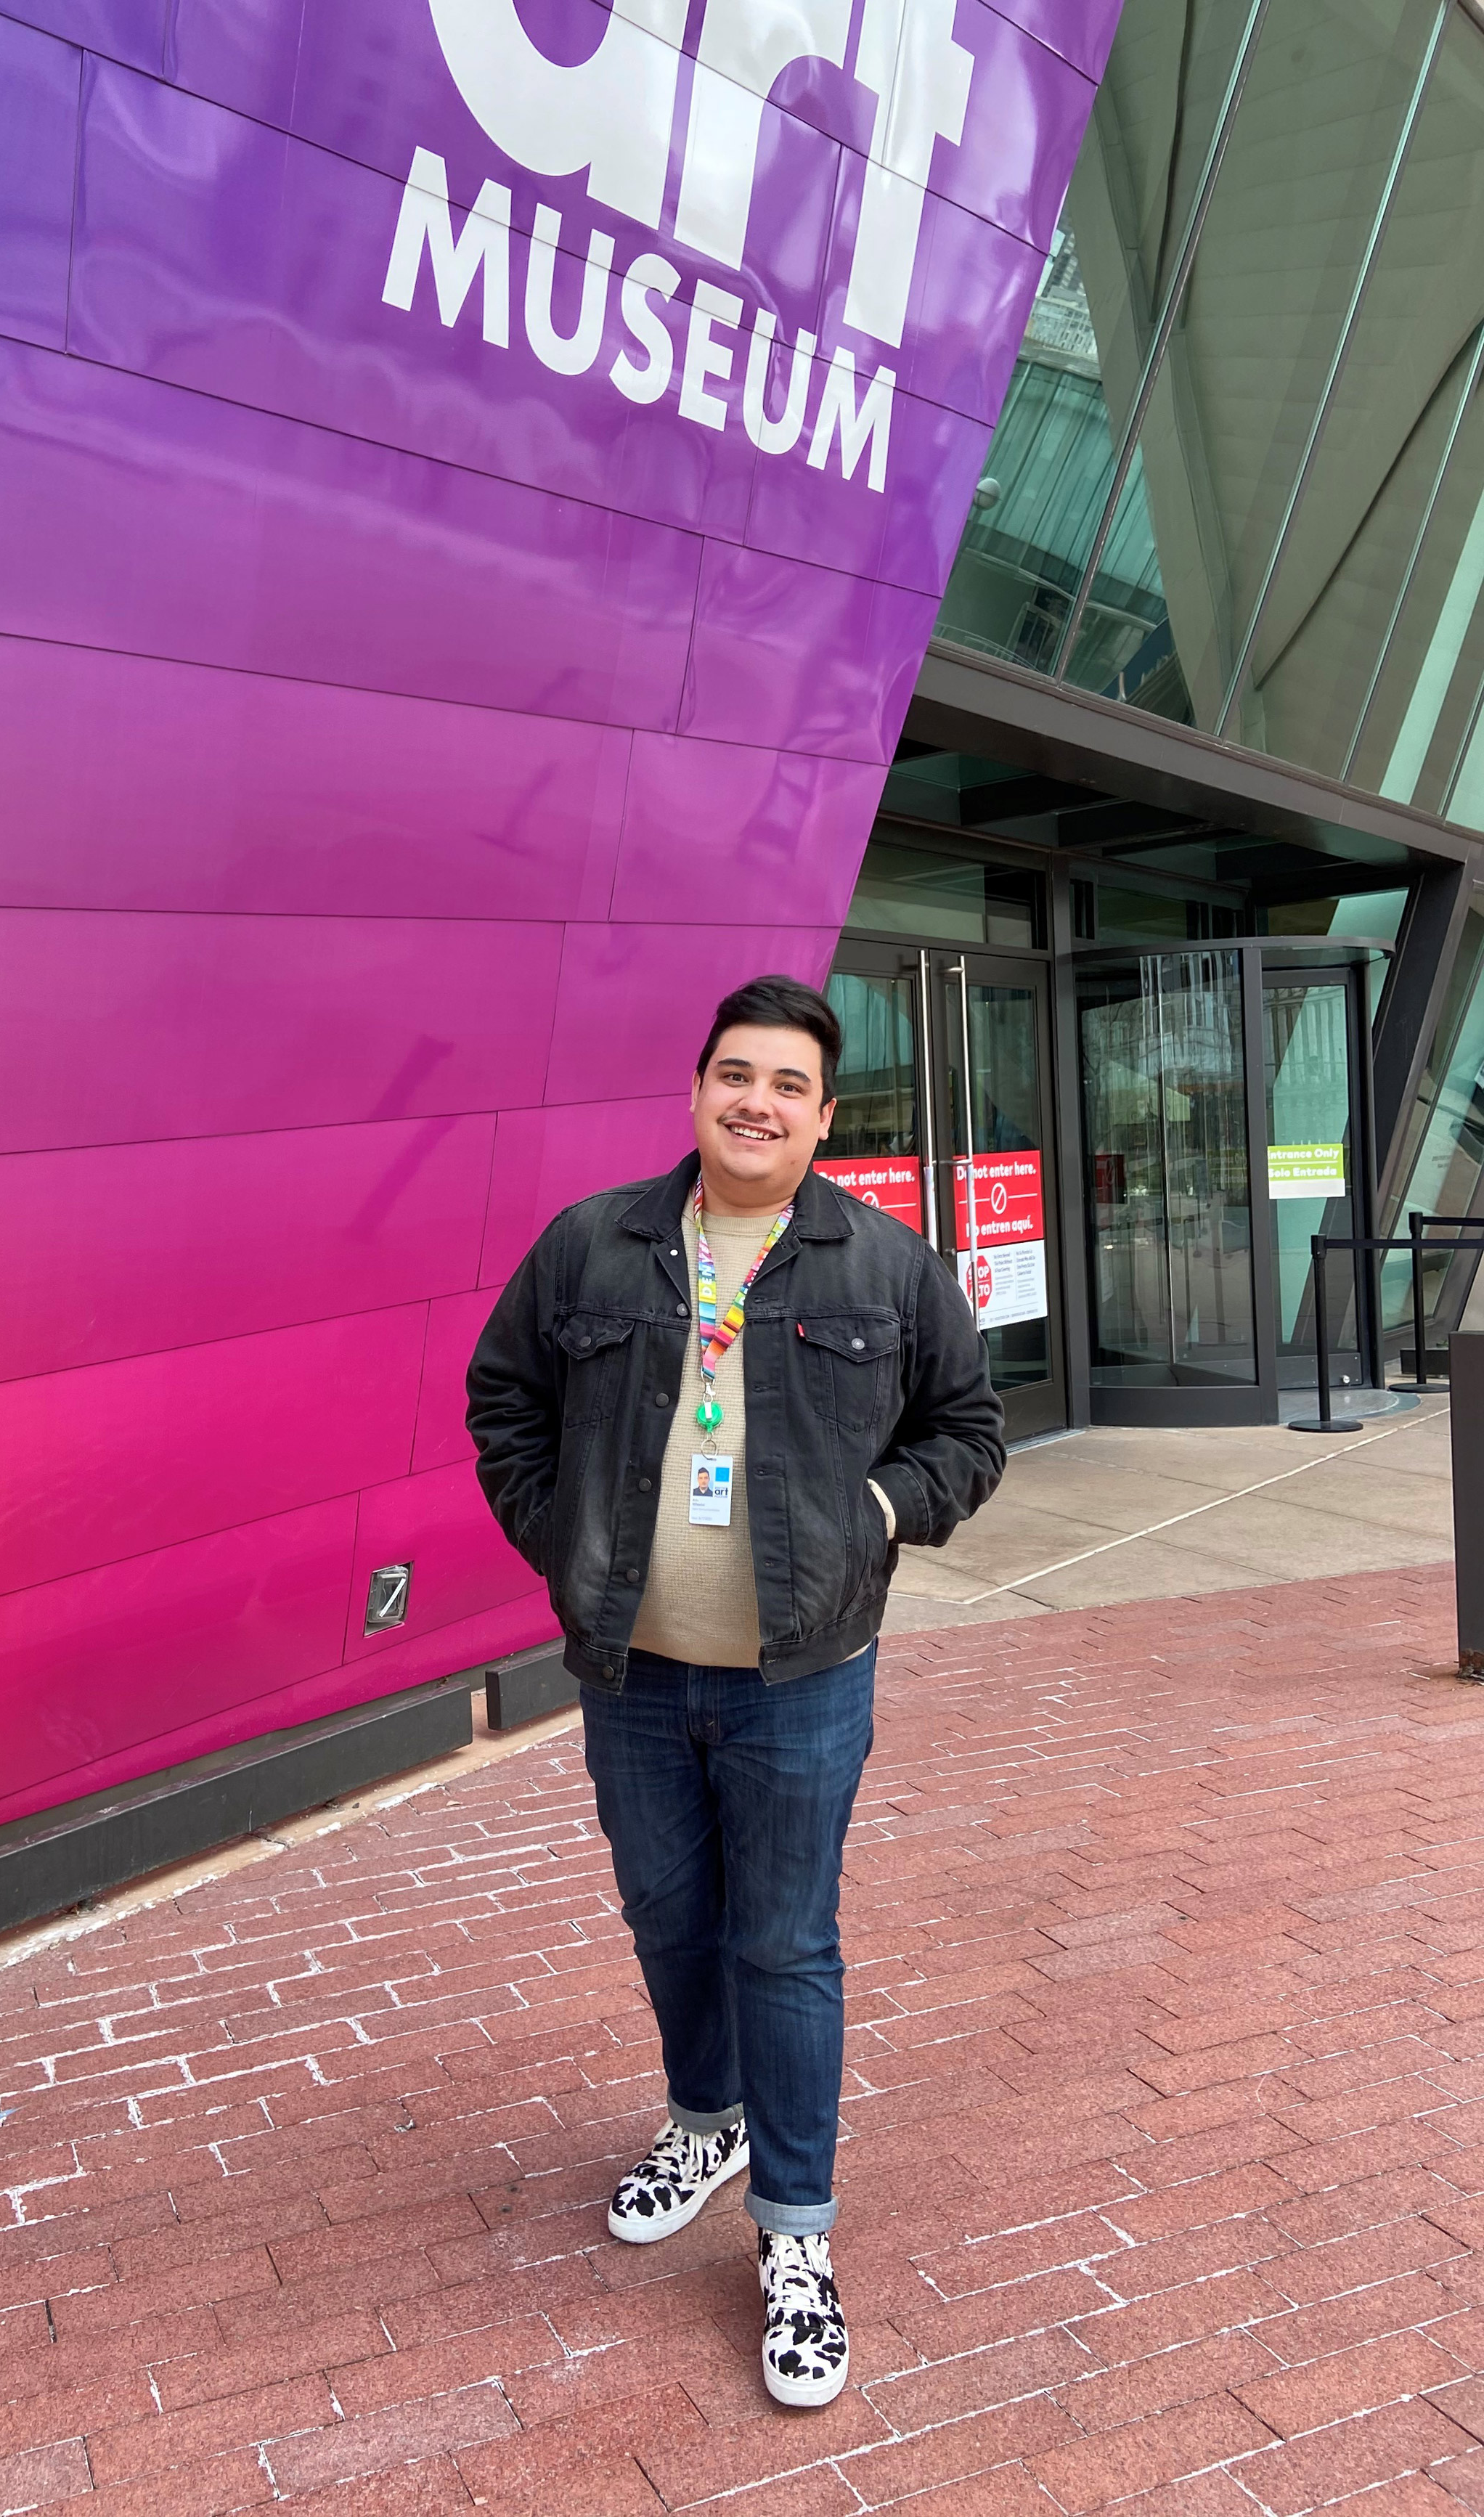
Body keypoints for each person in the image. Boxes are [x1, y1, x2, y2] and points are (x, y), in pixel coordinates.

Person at [466, 974, 1004, 2407]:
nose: (754, 1103)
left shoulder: (881, 1267)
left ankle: (796, 2238)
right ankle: (704, 2121)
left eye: (785, 1085)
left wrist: (881, 1518)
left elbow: (966, 1429)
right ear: (697, 1088)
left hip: (801, 1676)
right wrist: (556, 1532)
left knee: (781, 1941)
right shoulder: (596, 1247)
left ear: (824, 1117)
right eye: (733, 1075)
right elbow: (501, 1400)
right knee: (665, 1913)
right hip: (631, 1671)